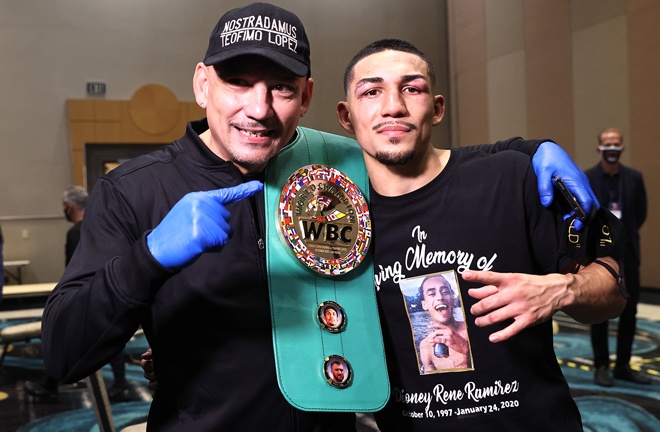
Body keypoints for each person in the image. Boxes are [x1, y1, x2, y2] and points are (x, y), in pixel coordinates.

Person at [41, 3, 606, 431]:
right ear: (201, 84)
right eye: (238, 82)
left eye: (281, 88)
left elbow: (405, 150)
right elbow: (65, 354)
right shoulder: (134, 191)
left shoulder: (326, 162)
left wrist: (528, 147)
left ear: (306, 97)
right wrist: (150, 258)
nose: (259, 109)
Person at [335, 38, 626, 430]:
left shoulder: (509, 178)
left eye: (412, 88)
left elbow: (614, 289)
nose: (393, 106)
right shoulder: (339, 224)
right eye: (371, 91)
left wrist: (564, 289)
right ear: (346, 116)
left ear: (437, 108)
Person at [26, 186, 131, 401]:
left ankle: (50, 385)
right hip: (107, 289)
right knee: (107, 335)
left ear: (69, 207)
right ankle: (120, 383)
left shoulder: (76, 232)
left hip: (86, 294)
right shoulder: (101, 226)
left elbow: (75, 269)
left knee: (65, 334)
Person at [588, 127, 650, 386]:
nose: (612, 148)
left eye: (616, 144)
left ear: (622, 148)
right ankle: (601, 365)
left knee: (630, 312)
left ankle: (622, 365)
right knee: (599, 311)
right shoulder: (588, 177)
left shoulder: (634, 178)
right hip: (599, 256)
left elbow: (640, 213)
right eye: (607, 144)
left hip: (629, 254)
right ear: (599, 149)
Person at [417, 274, 470, 372]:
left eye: (445, 292)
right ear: (424, 305)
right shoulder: (425, 346)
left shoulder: (471, 329)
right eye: (432, 294)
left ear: (453, 300)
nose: (440, 297)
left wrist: (465, 348)